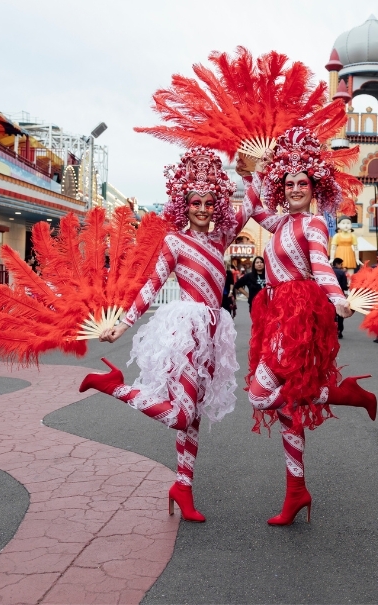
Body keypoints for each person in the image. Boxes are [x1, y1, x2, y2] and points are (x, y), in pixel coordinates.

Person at [79, 147, 255, 522]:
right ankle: (112, 385)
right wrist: (123, 324)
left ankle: (183, 488)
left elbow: (251, 205)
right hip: (184, 333)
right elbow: (152, 285)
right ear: (184, 204)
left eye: (210, 202)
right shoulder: (175, 242)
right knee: (180, 415)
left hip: (211, 333)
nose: (203, 209)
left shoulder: (222, 238)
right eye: (196, 202)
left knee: (192, 419)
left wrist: (252, 172)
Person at [245, 127, 377, 526]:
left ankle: (340, 394)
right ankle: (296, 491)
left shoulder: (314, 224)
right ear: (282, 188)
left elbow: (321, 264)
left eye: (302, 182)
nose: (295, 188)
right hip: (274, 312)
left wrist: (338, 299)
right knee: (288, 407)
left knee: (260, 394)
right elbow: (252, 207)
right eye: (288, 183)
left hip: (297, 313)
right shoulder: (280, 222)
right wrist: (255, 169)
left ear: (313, 186)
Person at [332, 258, 349, 339]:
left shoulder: (328, 272)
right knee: (340, 313)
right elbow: (344, 286)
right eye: (341, 264)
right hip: (339, 295)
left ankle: (332, 329)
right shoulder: (342, 273)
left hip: (329, 295)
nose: (341, 266)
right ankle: (339, 331)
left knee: (331, 313)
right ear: (337, 264)